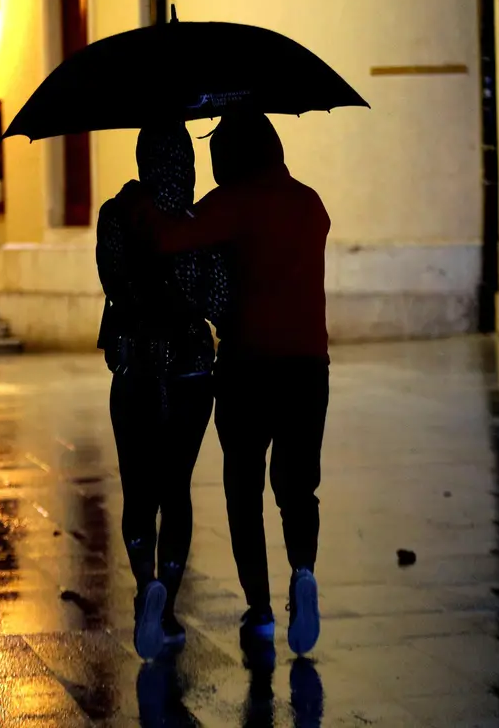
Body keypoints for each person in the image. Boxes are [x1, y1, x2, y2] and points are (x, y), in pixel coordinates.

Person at [129, 112, 330, 656]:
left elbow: (171, 238)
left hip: (248, 367)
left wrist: (145, 198)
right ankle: (304, 572)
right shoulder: (312, 205)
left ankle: (261, 610)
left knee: (244, 491)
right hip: (310, 367)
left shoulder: (231, 203)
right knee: (297, 486)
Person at [95, 123, 228, 660]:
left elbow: (111, 282)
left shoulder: (115, 215)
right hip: (192, 370)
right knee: (177, 489)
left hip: (134, 367)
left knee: (137, 487)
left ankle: (143, 580)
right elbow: (217, 300)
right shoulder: (201, 222)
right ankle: (167, 605)